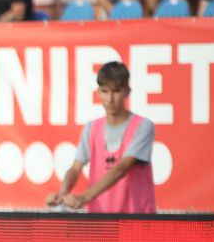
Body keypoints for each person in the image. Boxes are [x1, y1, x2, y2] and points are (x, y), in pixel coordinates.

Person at [47, 61, 156, 213]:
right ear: (98, 92)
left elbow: (122, 167)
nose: (110, 99)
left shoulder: (143, 126)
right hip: (101, 222)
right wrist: (63, 193)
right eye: (105, 91)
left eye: (116, 91)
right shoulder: (92, 128)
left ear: (127, 91)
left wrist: (84, 197)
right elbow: (76, 167)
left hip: (136, 219)